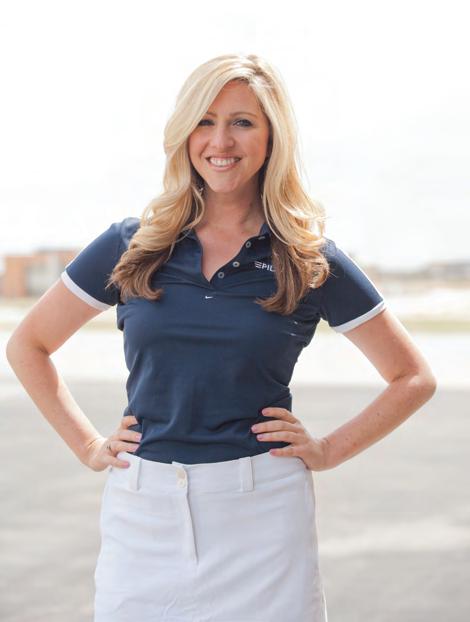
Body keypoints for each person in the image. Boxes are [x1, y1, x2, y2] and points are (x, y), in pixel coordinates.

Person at [6, 53, 437, 622]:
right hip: (143, 514)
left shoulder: (307, 258)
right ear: (185, 134)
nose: (220, 141)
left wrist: (330, 449)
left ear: (271, 137)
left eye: (242, 122)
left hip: (264, 515)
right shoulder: (133, 245)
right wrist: (88, 445)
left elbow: (412, 377)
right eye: (204, 121)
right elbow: (28, 345)